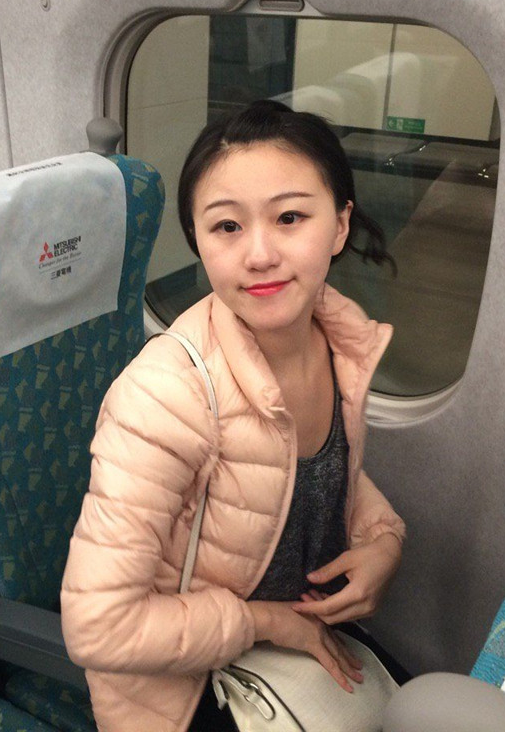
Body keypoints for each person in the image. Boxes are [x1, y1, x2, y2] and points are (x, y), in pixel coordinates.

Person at [61, 100, 406, 732]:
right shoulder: (167, 394)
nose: (260, 254)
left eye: (290, 217)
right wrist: (267, 622)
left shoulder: (337, 341)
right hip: (187, 684)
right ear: (198, 242)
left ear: (339, 227)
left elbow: (309, 477)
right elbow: (97, 628)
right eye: (227, 227)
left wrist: (384, 542)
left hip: (295, 637)